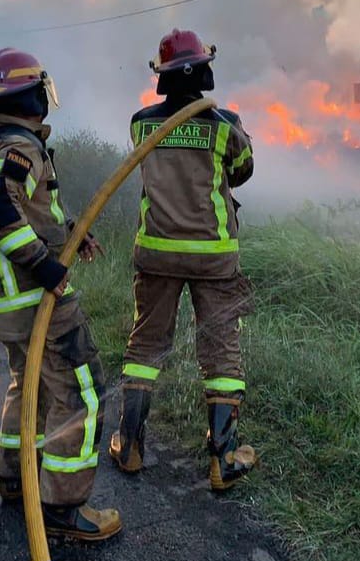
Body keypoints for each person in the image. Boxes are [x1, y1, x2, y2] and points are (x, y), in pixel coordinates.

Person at [0, 47, 121, 542]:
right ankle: (64, 508)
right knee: (81, 394)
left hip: (6, 306)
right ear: (33, 94)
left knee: (28, 386)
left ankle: (17, 480)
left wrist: (69, 231)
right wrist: (46, 266)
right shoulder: (21, 148)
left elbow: (27, 210)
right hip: (37, 303)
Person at [110, 29, 257, 491]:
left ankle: (130, 447)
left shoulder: (140, 124)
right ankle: (224, 459)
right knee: (220, 349)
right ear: (204, 70)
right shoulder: (225, 124)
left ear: (162, 76)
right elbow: (243, 172)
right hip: (213, 259)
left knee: (145, 348)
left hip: (156, 252)